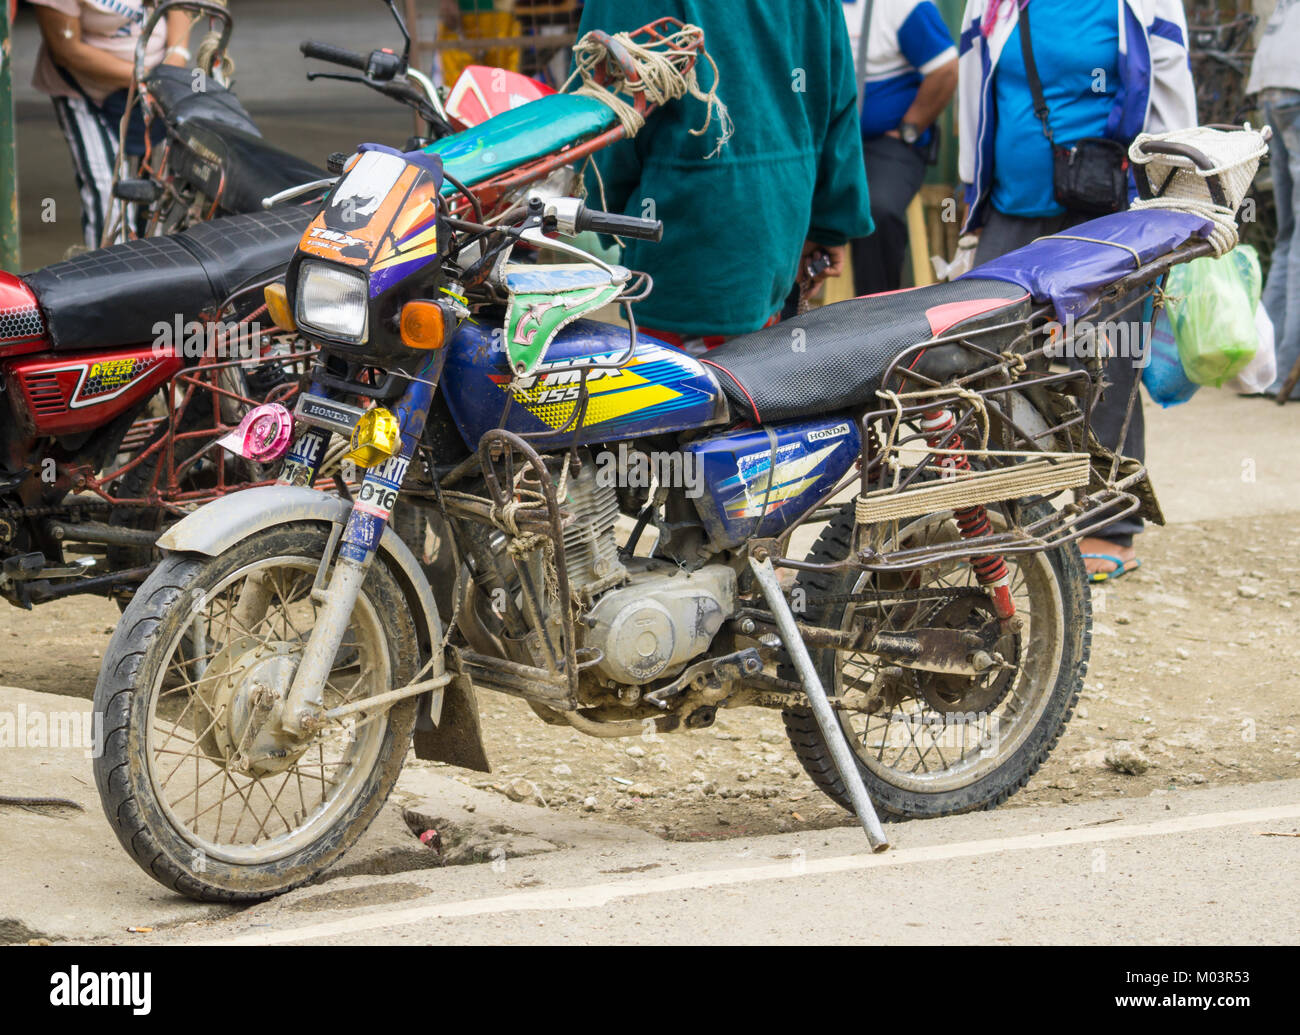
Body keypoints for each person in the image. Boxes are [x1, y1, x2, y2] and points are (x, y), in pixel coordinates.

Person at [957, 0, 1196, 581]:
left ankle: (1108, 521)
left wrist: (1174, 207)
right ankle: (1004, 518)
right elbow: (974, 97)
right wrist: (972, 203)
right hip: (1010, 206)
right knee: (987, 359)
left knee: (1104, 363)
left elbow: (1170, 95)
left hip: (1107, 214)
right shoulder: (992, 4)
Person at [575, 0, 874, 350]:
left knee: (695, 396)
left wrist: (605, 212)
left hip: (686, 241)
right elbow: (836, 91)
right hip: (774, 227)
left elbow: (606, 114)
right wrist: (830, 223)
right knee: (752, 386)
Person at [29, 0, 193, 248]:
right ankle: (111, 278)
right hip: (89, 90)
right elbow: (66, 49)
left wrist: (175, 60)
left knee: (161, 200)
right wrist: (146, 76)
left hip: (159, 84)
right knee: (108, 197)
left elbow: (180, 7)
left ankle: (157, 277)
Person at [843, 0, 958, 295]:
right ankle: (786, 322)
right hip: (829, 142)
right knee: (789, 200)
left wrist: (909, 129)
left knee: (876, 209)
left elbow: (945, 69)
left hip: (887, 143)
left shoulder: (904, 6)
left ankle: (875, 316)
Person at [1247, 0, 1300, 400]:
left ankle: (1263, 370)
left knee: (1288, 236)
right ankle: (1286, 376)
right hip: (1296, 86)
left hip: (1271, 85)